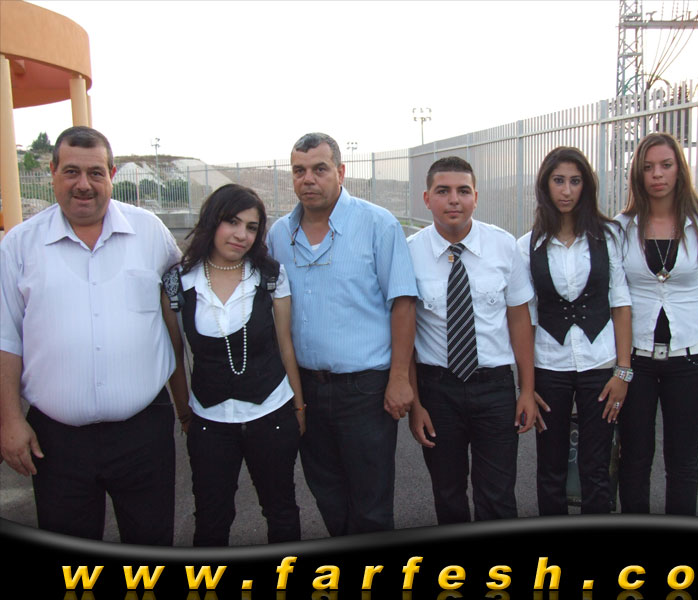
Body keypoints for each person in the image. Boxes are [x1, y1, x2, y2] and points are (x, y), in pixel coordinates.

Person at [0, 126, 184, 544]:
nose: (83, 184)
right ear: (52, 173)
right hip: (56, 441)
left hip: (144, 433)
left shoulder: (150, 232)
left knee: (152, 547)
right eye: (71, 172)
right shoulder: (18, 246)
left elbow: (182, 303)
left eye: (95, 173)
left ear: (111, 174)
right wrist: (9, 420)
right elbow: (6, 338)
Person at [266, 132, 418, 536]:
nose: (308, 179)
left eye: (319, 169)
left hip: (365, 391)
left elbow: (403, 304)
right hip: (306, 390)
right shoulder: (279, 235)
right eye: (299, 171)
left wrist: (399, 378)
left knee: (371, 504)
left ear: (341, 171)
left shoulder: (377, 224)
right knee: (328, 496)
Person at [161, 184, 305, 546]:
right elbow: (175, 355)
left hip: (271, 414)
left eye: (252, 227)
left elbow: (285, 344)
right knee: (212, 519)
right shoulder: (178, 282)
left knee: (281, 512)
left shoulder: (270, 276)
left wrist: (299, 408)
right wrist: (184, 414)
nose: (242, 235)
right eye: (232, 222)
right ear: (213, 221)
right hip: (209, 421)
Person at [407, 156, 543, 525]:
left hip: (494, 389)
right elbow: (405, 335)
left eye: (463, 191)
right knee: (447, 492)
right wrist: (416, 404)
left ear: (476, 197)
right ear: (427, 198)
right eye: (443, 191)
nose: (454, 199)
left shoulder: (503, 246)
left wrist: (526, 390)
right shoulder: (409, 253)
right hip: (437, 391)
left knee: (498, 494)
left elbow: (519, 320)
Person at [615, 132, 698, 515]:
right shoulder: (621, 228)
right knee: (635, 458)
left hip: (689, 361)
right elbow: (616, 298)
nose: (657, 175)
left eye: (666, 165)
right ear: (637, 174)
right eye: (648, 167)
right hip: (636, 361)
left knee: (683, 461)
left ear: (680, 170)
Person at [517, 147, 632, 516]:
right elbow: (525, 319)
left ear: (586, 186)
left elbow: (621, 304)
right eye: (558, 181)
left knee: (596, 467)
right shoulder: (527, 246)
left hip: (600, 364)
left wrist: (623, 372)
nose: (566, 190)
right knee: (550, 467)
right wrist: (527, 387)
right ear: (545, 185)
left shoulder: (608, 237)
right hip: (549, 365)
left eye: (575, 181)